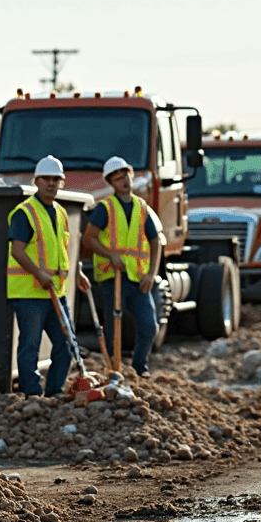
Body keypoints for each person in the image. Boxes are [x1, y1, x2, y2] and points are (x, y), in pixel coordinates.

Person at [7, 155, 91, 397]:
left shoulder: (61, 214)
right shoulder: (25, 213)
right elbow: (17, 250)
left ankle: (54, 392)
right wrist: (39, 273)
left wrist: (77, 272)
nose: (51, 183)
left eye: (56, 179)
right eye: (46, 179)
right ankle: (33, 395)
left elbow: (62, 253)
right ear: (37, 181)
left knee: (66, 344)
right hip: (29, 292)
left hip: (57, 291)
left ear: (62, 182)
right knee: (30, 347)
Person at [83, 156, 163, 376]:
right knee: (114, 329)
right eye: (118, 179)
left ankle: (140, 366)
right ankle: (114, 370)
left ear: (131, 175)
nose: (124, 182)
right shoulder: (105, 208)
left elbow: (156, 241)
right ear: (111, 183)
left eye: (126, 176)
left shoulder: (142, 208)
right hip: (112, 277)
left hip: (138, 278)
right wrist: (111, 255)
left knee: (150, 326)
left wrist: (151, 274)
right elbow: (88, 238)